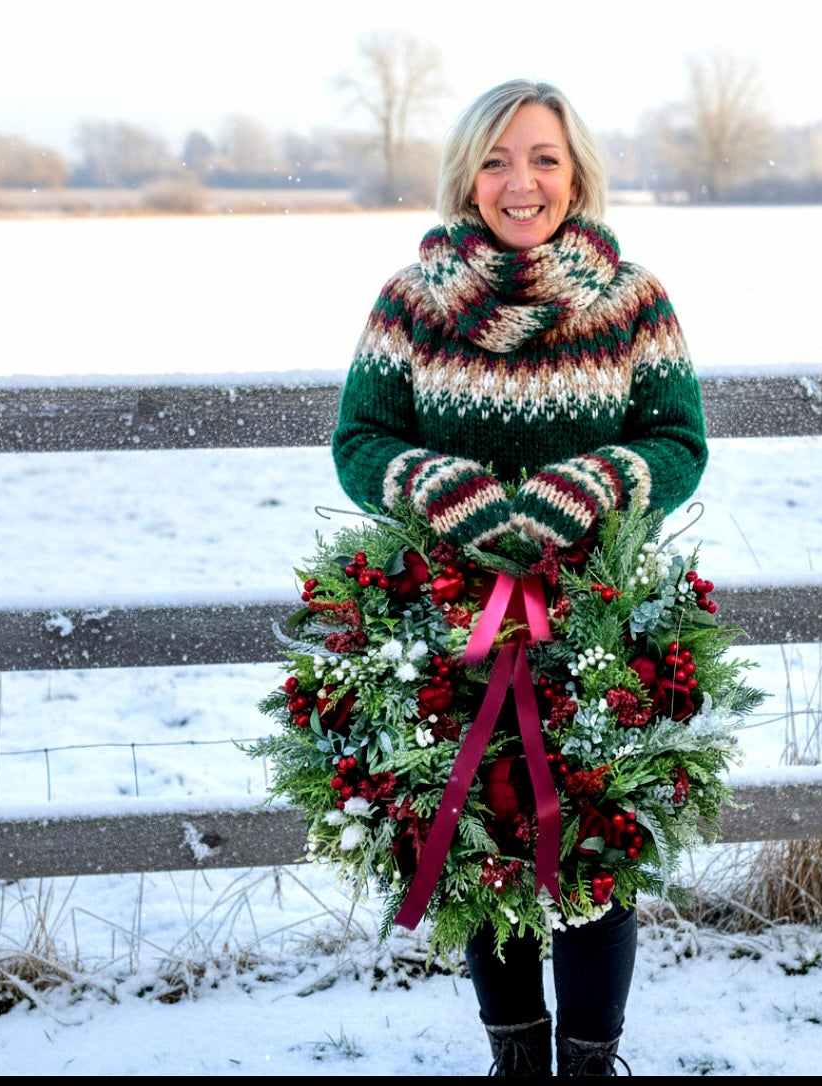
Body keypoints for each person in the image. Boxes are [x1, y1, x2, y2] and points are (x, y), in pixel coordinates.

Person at [331, 79, 708, 1077]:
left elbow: (679, 442)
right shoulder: (412, 302)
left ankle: (589, 1063)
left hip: (597, 619)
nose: (520, 182)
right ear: (467, 176)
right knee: (482, 849)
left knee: (593, 854)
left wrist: (595, 483)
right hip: (448, 624)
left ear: (576, 174)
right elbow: (359, 439)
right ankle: (516, 1064)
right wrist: (437, 484)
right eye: (496, 161)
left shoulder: (633, 300)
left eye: (543, 158)